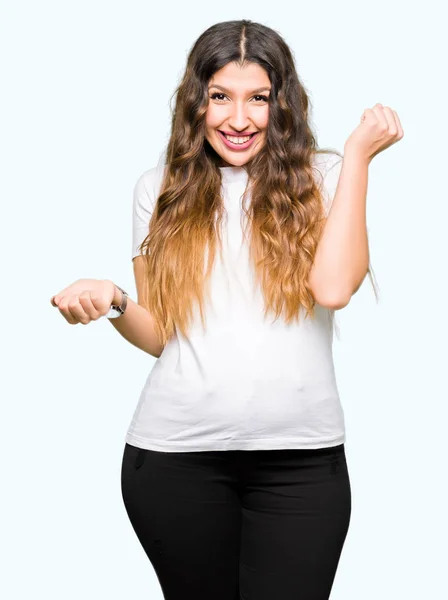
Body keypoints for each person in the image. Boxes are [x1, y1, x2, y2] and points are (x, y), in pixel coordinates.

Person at [50, 19, 403, 600]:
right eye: (220, 97)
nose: (238, 119)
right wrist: (115, 300)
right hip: (174, 461)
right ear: (197, 102)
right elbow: (164, 333)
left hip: (302, 464)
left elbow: (334, 288)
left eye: (258, 99)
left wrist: (360, 157)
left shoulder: (324, 176)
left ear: (281, 104)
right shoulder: (157, 188)